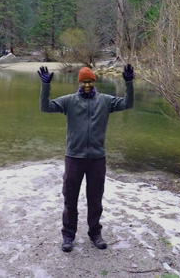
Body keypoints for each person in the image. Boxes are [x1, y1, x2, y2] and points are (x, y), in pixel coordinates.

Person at [38, 64, 134, 252]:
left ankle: (95, 234)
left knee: (95, 199)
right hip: (74, 158)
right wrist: (45, 86)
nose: (87, 85)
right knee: (70, 199)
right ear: (79, 83)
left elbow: (127, 104)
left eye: (90, 81)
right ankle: (68, 236)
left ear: (94, 82)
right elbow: (45, 107)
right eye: (84, 82)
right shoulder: (69, 101)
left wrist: (129, 82)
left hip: (97, 159)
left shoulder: (105, 101)